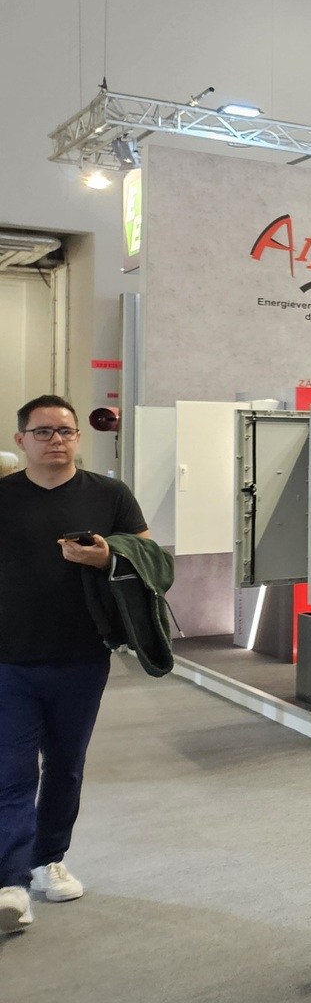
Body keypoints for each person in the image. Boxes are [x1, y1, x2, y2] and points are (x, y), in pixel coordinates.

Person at [0, 396, 149, 936]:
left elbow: (148, 555)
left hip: (83, 656)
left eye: (65, 431)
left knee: (65, 765)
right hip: (8, 660)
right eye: (43, 432)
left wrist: (106, 556)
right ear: (21, 440)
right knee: (13, 770)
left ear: (78, 438)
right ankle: (11, 881)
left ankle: (49, 859)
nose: (56, 440)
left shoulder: (109, 495)